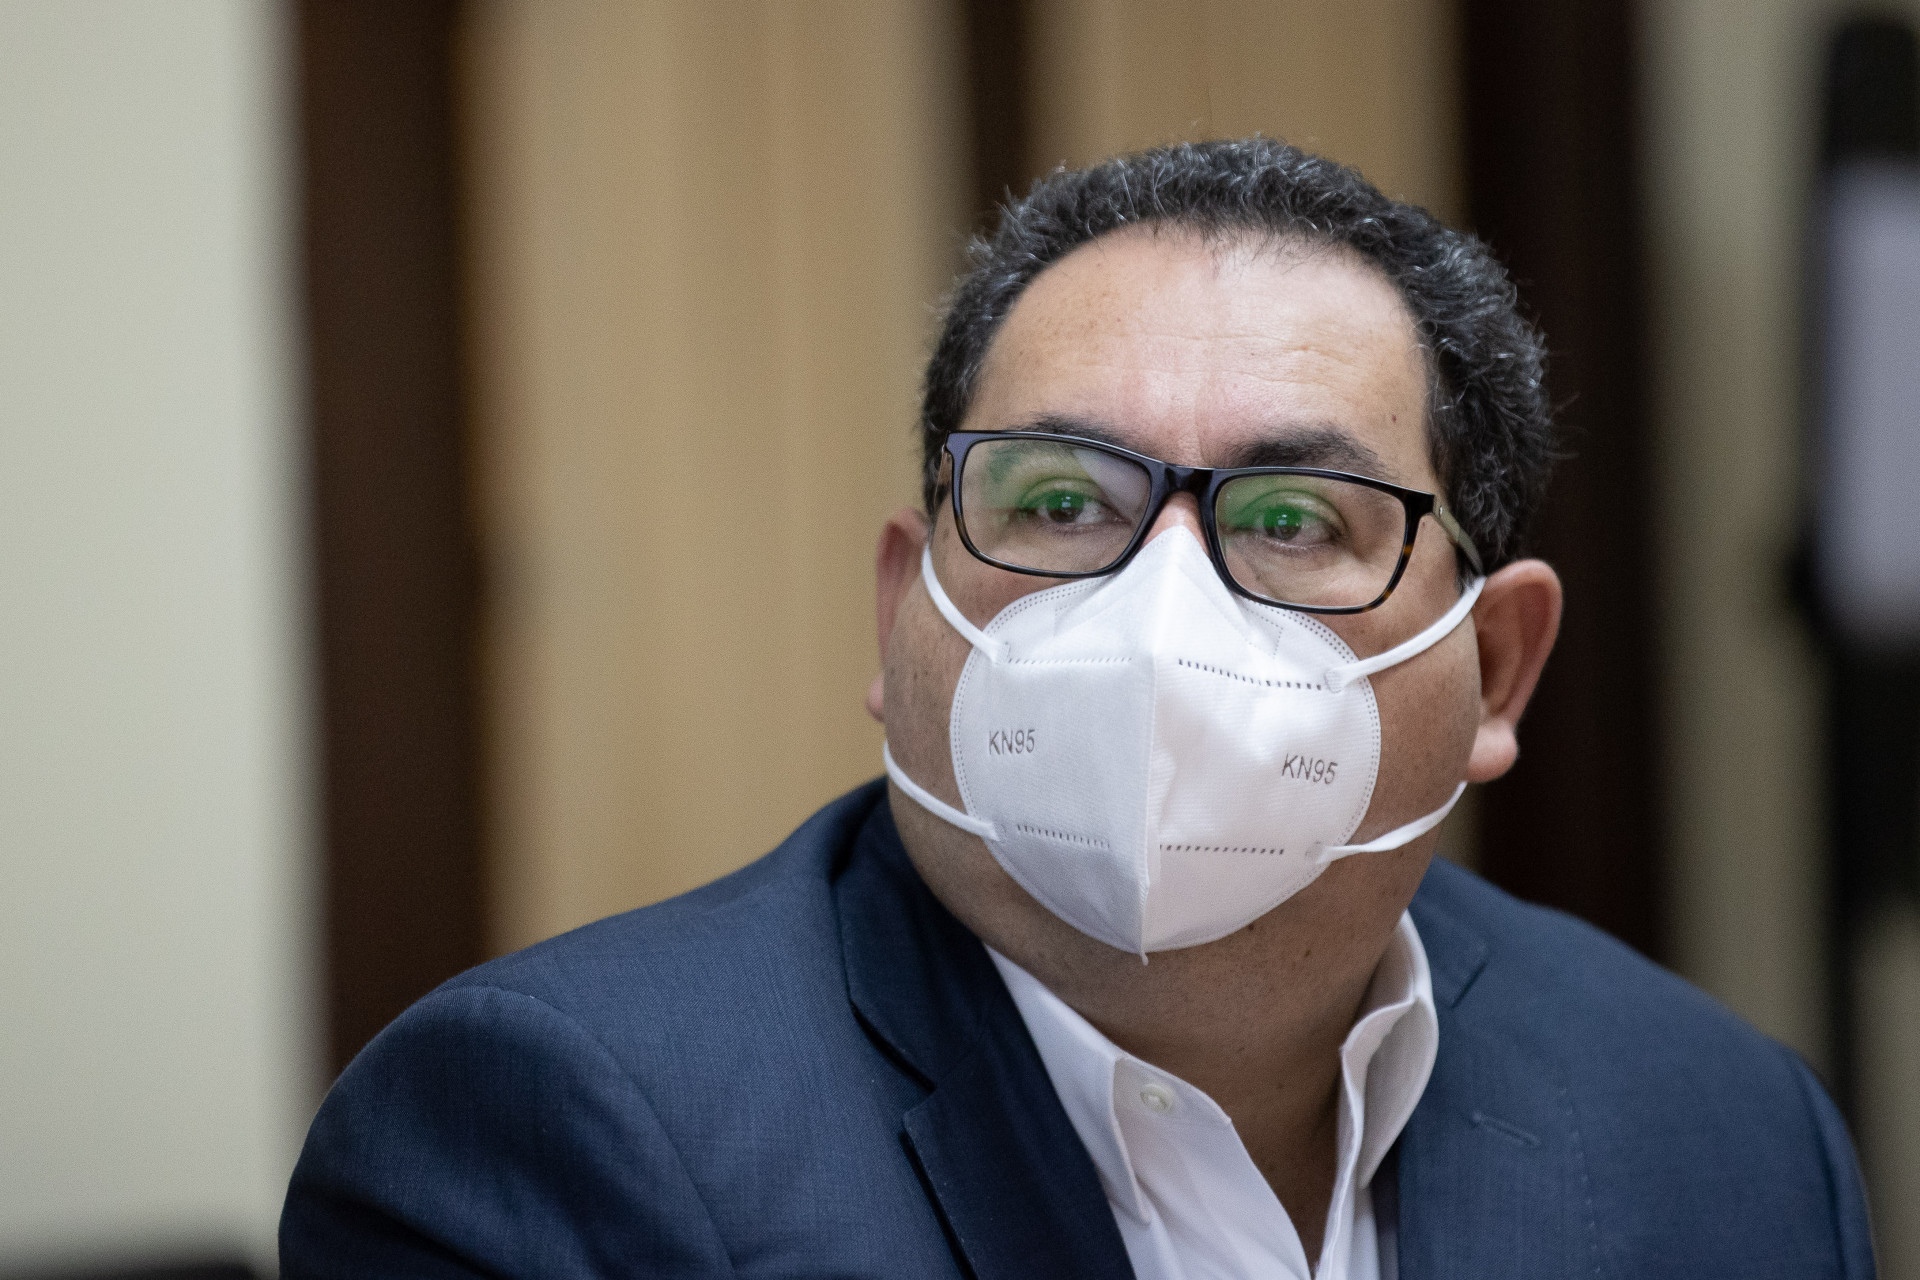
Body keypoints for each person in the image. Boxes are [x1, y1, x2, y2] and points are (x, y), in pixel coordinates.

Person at [280, 139, 1873, 1279]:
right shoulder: (556, 1133)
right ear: (905, 608)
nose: (1156, 614)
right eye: (1055, 501)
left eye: (1293, 518)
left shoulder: (1719, 1129)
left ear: (1497, 670)